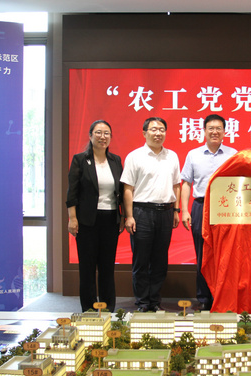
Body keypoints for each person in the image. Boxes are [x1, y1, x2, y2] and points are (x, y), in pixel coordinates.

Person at [121, 117, 181, 312]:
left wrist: (176, 210)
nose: (158, 133)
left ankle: (155, 301)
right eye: (154, 129)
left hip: (166, 212)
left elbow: (176, 185)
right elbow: (128, 188)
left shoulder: (172, 156)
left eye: (162, 129)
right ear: (144, 133)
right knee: (141, 260)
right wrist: (129, 216)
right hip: (142, 212)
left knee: (160, 260)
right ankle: (142, 302)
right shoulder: (134, 156)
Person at [180, 114, 237, 311]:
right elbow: (186, 183)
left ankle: (223, 296)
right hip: (201, 206)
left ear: (224, 132)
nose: (214, 132)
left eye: (218, 128)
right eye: (211, 128)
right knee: (202, 253)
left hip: (226, 208)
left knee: (225, 255)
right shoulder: (193, 155)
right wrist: (185, 210)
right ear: (204, 131)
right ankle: (204, 298)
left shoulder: (233, 154)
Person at [66, 120, 124, 312]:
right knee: (87, 267)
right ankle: (89, 309)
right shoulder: (80, 160)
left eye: (106, 133)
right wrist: (72, 218)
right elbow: (72, 192)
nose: (102, 137)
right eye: (98, 133)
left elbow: (121, 190)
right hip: (86, 220)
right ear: (90, 135)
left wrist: (123, 215)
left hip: (110, 219)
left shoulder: (115, 160)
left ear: (111, 137)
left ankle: (108, 308)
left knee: (107, 267)